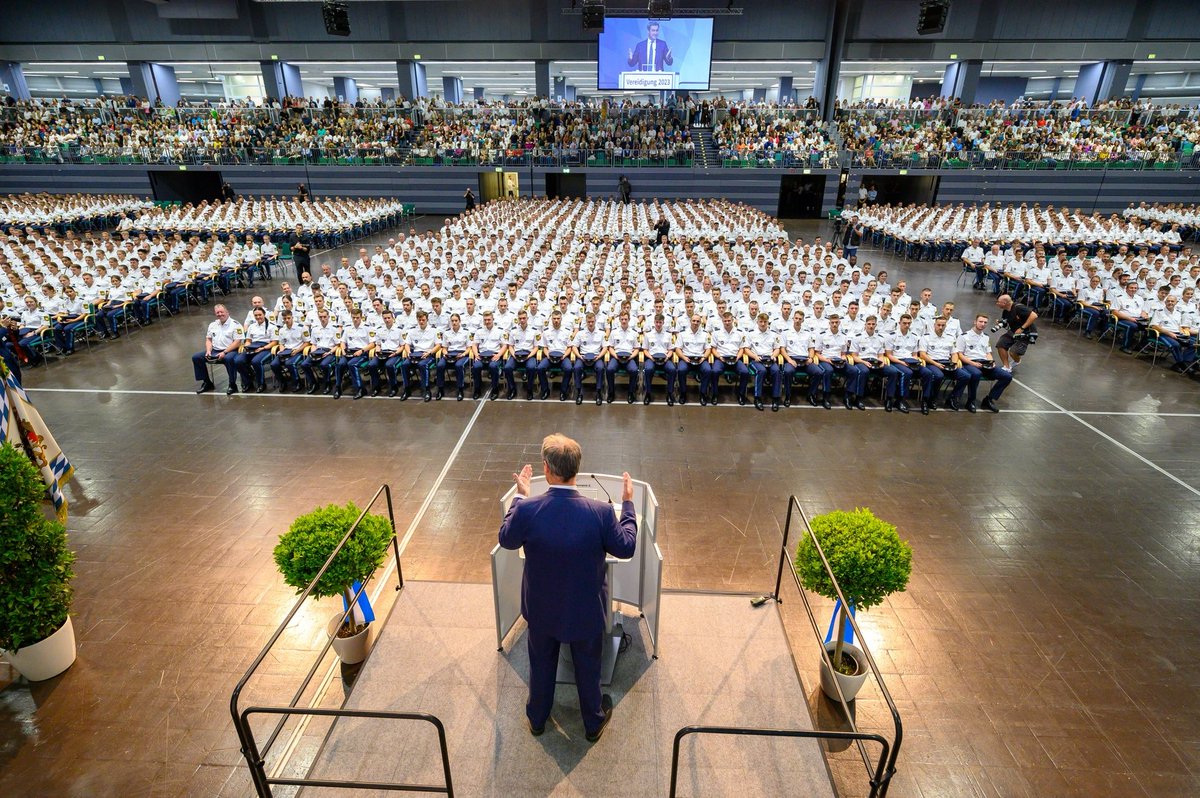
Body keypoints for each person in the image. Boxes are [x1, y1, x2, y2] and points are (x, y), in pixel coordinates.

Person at [498, 434, 637, 742]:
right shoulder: (601, 513)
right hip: (585, 610)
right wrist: (628, 504)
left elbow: (506, 539)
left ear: (546, 469)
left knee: (540, 663)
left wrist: (520, 496)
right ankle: (592, 723)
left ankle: (537, 718)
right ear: (577, 468)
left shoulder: (527, 510)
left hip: (541, 608)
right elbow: (626, 546)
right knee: (588, 666)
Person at [191, 304, 245, 395]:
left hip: (231, 350)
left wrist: (224, 352)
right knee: (196, 357)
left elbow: (238, 342)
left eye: (221, 312)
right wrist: (208, 350)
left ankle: (232, 384)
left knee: (229, 359)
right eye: (217, 312)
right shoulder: (213, 325)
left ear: (227, 312)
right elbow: (208, 339)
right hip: (215, 350)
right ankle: (207, 382)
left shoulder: (235, 325)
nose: (220, 314)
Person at [994, 294, 1037, 371]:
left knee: (1013, 352)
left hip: (1026, 333)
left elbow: (1034, 316)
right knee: (1001, 344)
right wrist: (1000, 323)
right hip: (1013, 331)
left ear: (1004, 303)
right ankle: (1006, 367)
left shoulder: (1018, 307)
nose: (997, 303)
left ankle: (1017, 360)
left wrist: (1022, 328)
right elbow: (1007, 323)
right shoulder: (1005, 311)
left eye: (998, 302)